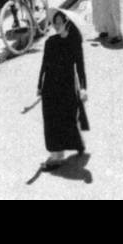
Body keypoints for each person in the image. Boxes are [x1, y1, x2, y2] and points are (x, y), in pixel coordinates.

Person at [37, 10, 88, 168]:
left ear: (66, 23)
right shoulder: (50, 42)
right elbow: (44, 65)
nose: (56, 26)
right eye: (54, 23)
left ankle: (74, 145)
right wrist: (39, 85)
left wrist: (83, 88)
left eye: (59, 22)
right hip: (50, 87)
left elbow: (80, 66)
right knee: (51, 121)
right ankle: (55, 156)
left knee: (67, 119)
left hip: (66, 87)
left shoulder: (74, 42)